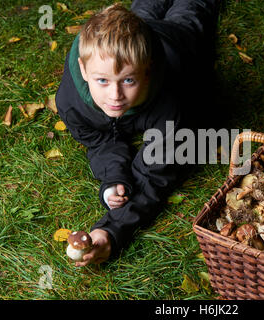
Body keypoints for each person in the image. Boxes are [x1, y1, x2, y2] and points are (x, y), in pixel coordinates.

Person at [55, 0, 219, 267]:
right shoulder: (70, 101)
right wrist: (113, 178)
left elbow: (155, 175)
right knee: (143, 12)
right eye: (103, 81)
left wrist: (112, 229)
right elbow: (99, 138)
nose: (115, 96)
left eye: (128, 80)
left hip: (180, 41)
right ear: (84, 70)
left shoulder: (170, 107)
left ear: (148, 70)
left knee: (189, 11)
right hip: (139, 40)